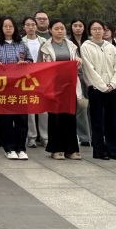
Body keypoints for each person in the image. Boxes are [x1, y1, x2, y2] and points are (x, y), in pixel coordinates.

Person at [80, 20, 116, 160]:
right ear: (90, 31)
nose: (98, 31)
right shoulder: (86, 47)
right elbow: (88, 69)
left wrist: (113, 84)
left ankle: (114, 150)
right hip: (96, 88)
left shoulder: (110, 47)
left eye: (100, 29)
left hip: (112, 88)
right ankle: (100, 151)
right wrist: (102, 86)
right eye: (94, 29)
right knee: (97, 119)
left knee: (112, 119)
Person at [0, 16, 32, 160]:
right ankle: (9, 148)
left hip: (20, 86)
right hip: (4, 87)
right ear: (1, 28)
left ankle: (21, 148)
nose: (8, 29)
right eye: (5, 26)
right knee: (6, 119)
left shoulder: (22, 44)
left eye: (11, 26)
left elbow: (30, 61)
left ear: (15, 28)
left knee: (22, 119)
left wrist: (25, 63)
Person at [39, 19, 82, 160]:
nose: (60, 31)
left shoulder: (71, 45)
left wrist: (78, 62)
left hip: (69, 86)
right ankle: (56, 149)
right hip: (53, 86)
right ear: (50, 30)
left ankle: (71, 149)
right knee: (55, 117)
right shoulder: (45, 47)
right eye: (56, 28)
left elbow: (77, 63)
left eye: (62, 28)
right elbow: (39, 67)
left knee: (70, 117)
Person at [21, 16, 48, 149]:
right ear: (24, 27)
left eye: (33, 24)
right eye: (28, 25)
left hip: (42, 76)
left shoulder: (44, 41)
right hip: (27, 77)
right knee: (30, 108)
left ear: (36, 26)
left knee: (43, 108)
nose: (31, 27)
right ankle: (31, 136)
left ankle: (45, 136)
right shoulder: (20, 42)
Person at [68, 18, 91, 146]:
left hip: (92, 78)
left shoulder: (89, 43)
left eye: (80, 25)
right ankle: (84, 137)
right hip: (77, 79)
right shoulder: (68, 43)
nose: (77, 28)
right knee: (81, 108)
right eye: (75, 25)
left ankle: (92, 134)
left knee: (92, 108)